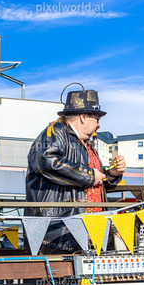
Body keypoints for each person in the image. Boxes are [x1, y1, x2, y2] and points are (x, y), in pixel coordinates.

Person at [25, 83, 126, 253]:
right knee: (62, 270)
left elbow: (90, 180)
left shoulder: (84, 142)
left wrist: (111, 174)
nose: (99, 125)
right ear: (83, 117)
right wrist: (89, 174)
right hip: (59, 232)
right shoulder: (54, 132)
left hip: (87, 230)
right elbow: (47, 161)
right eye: (97, 119)